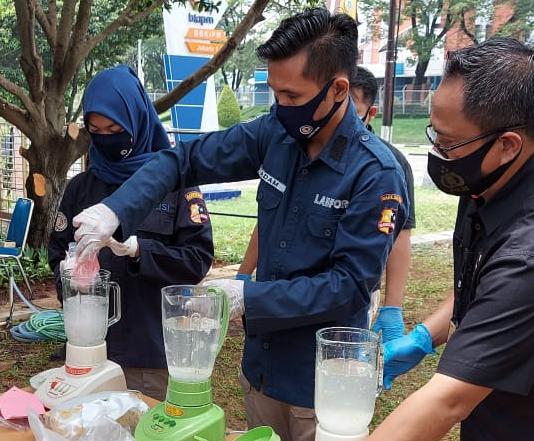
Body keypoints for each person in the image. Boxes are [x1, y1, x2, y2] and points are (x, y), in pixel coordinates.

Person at [72, 9, 409, 441]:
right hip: (261, 371)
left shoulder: (375, 175)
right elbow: (184, 159)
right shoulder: (277, 136)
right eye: (274, 94)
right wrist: (115, 211)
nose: (279, 108)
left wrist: (247, 295)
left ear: (338, 89)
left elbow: (348, 286)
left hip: (318, 386)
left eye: (291, 96)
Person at [369, 37, 534, 440]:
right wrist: (425, 336)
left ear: (507, 145)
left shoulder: (527, 252)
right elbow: (480, 285)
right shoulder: (484, 182)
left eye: (447, 143)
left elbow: (449, 400)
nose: (437, 155)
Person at [48, 66, 214, 401]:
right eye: (96, 131)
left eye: (114, 128)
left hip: (150, 352)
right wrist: (69, 274)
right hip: (90, 350)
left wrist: (141, 251)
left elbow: (197, 259)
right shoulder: (82, 188)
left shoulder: (175, 184)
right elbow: (57, 252)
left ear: (137, 120)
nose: (107, 138)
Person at [237, 66, 416, 344]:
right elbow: (270, 220)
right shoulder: (293, 148)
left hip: (333, 314)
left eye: (351, 108)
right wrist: (243, 276)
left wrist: (393, 306)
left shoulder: (383, 169)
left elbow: (399, 235)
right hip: (271, 302)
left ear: (371, 113)